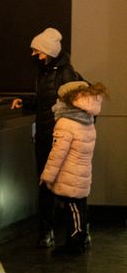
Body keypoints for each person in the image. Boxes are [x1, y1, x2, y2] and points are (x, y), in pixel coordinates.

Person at [11, 27, 83, 247]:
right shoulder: (46, 72)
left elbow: (71, 106)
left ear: (49, 51)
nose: (34, 55)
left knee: (62, 185)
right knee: (47, 184)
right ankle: (56, 231)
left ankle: (67, 232)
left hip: (58, 139)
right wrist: (27, 102)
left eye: (37, 51)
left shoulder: (65, 74)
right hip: (46, 137)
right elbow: (48, 102)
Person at [40, 80, 106, 255]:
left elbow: (57, 154)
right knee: (80, 206)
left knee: (72, 207)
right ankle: (82, 238)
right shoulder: (87, 119)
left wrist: (47, 176)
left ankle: (75, 241)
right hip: (82, 170)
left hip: (69, 173)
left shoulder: (65, 123)